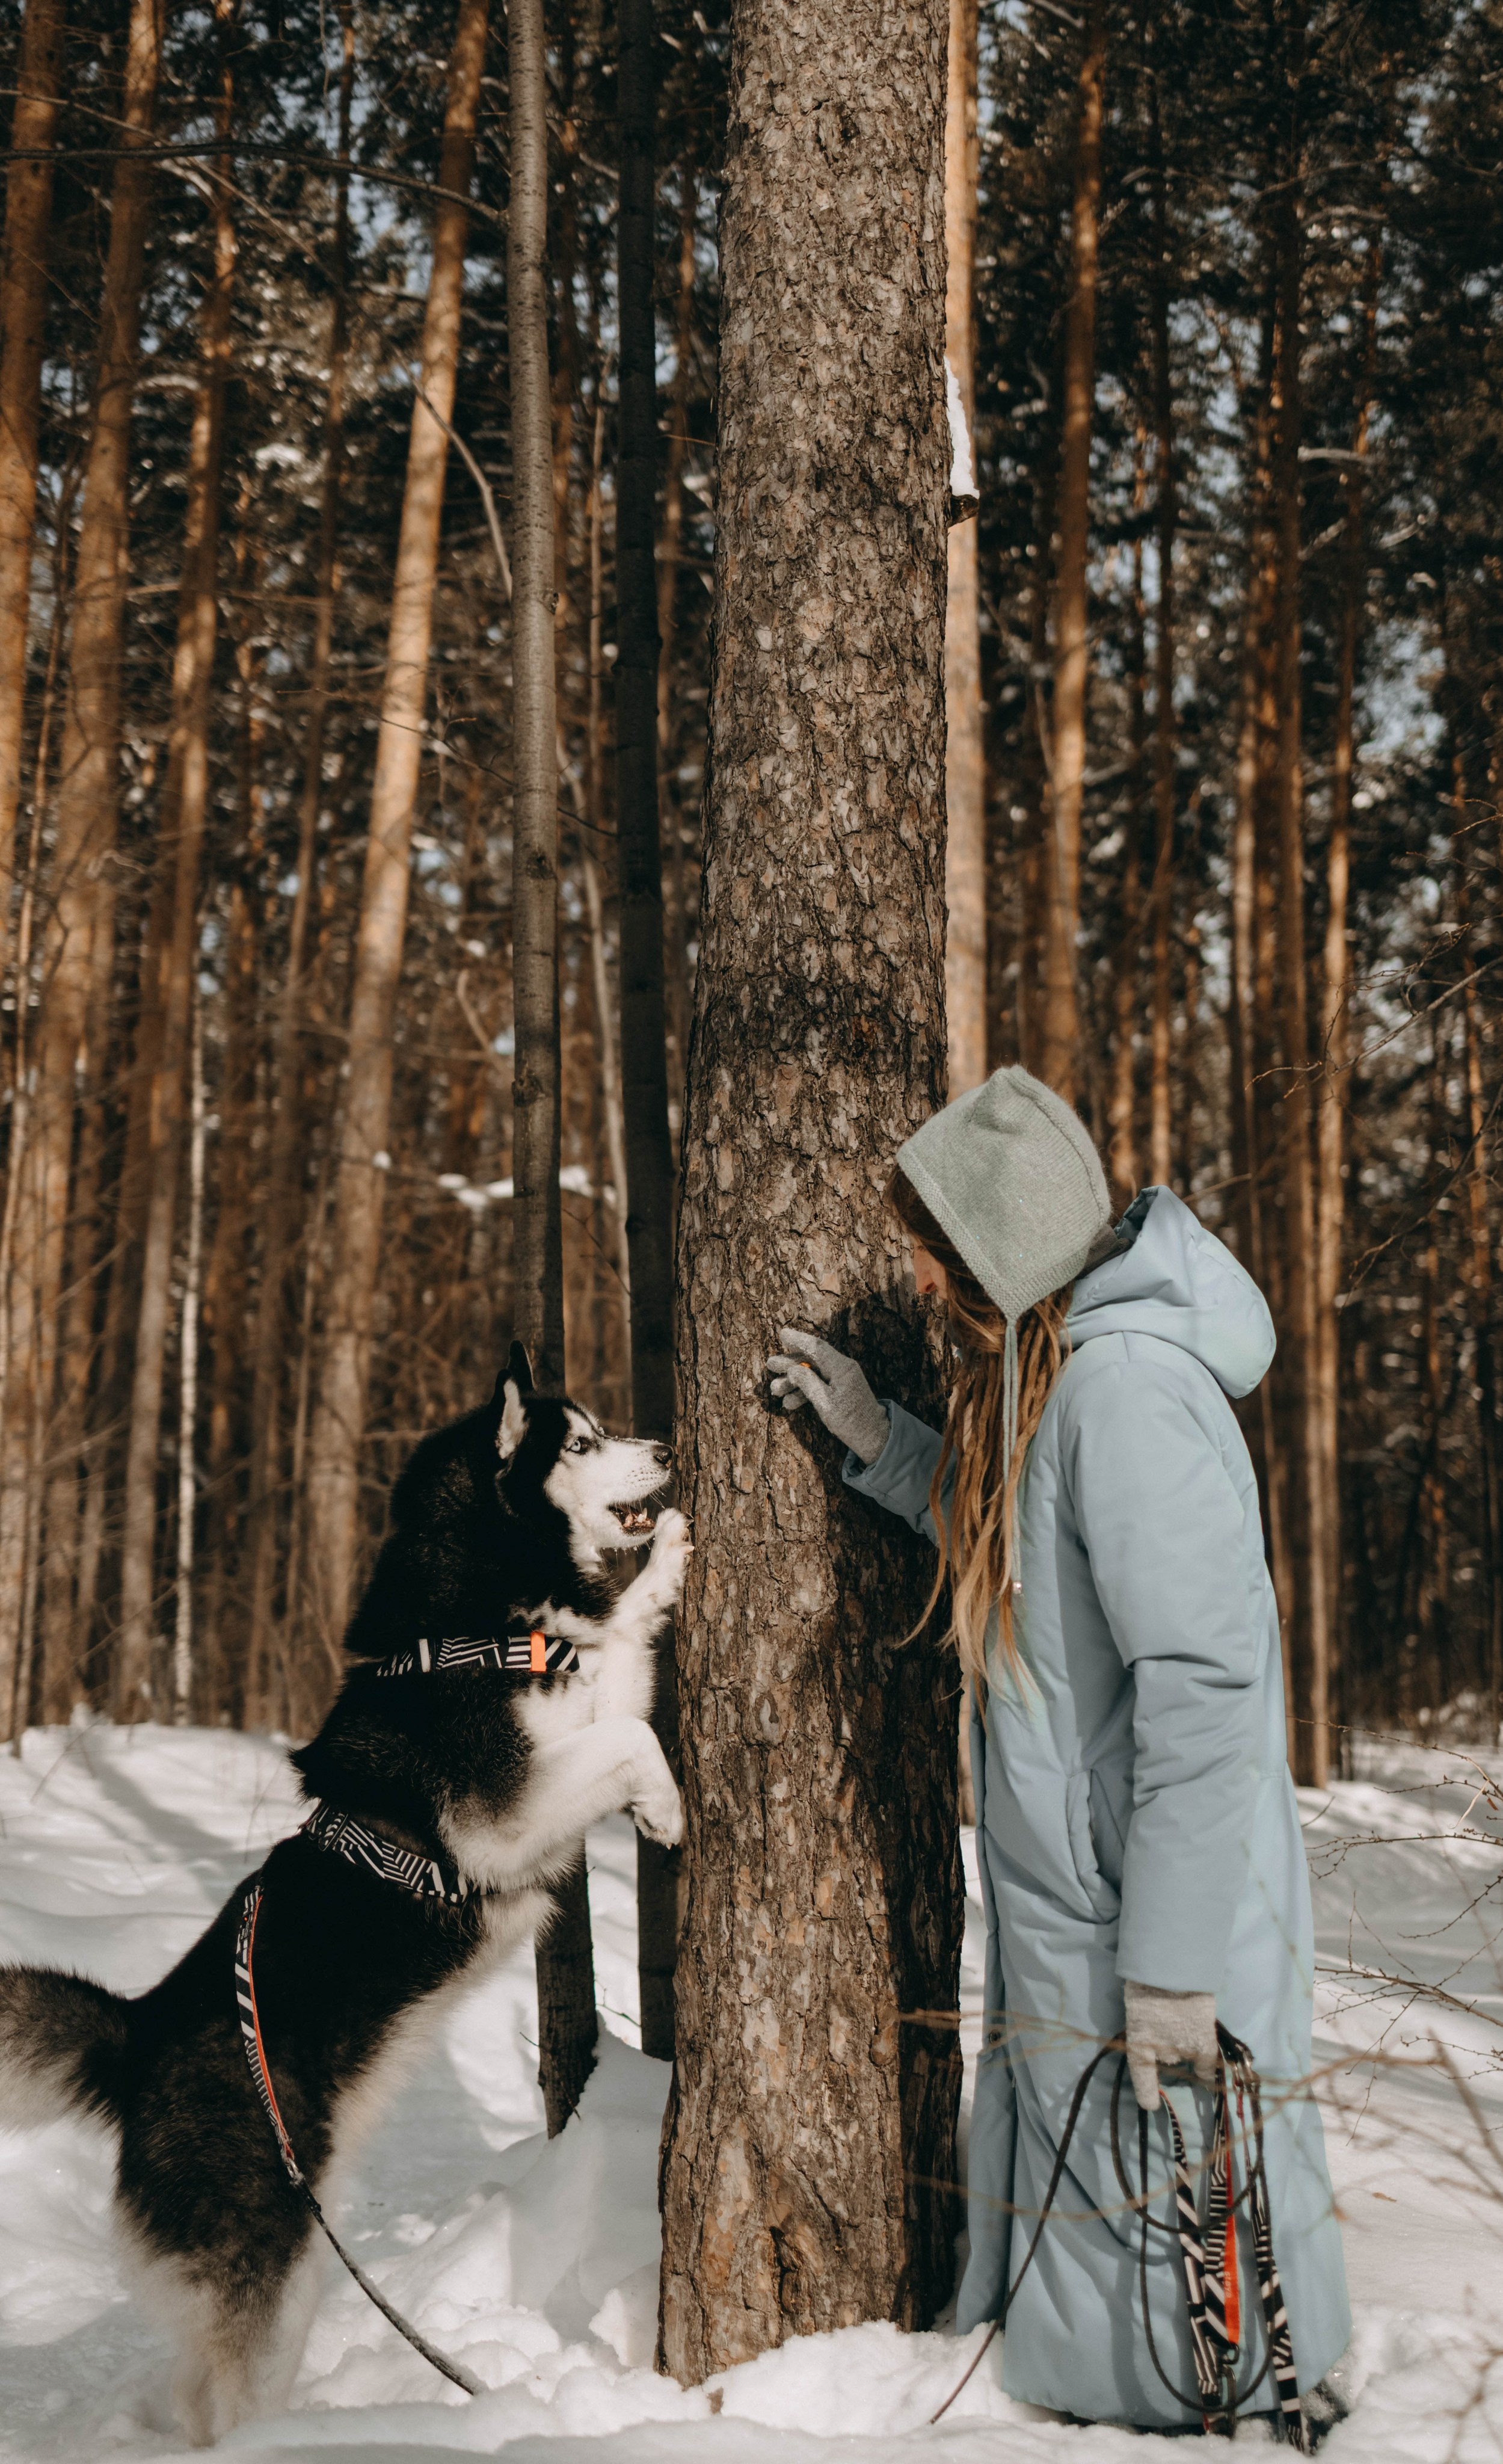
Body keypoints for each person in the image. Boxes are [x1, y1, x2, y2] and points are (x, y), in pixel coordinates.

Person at [766, 1064, 1350, 2436]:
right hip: (1090, 1911)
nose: (915, 1271)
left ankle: (1230, 2402)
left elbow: (1204, 1687)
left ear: (995, 1245)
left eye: (932, 1242)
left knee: (1166, 2270)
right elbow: (1017, 1546)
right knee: (1103, 2268)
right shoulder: (1055, 1367)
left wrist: (1167, 1967)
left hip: (1151, 1922)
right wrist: (876, 1437)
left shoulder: (1124, 1392)